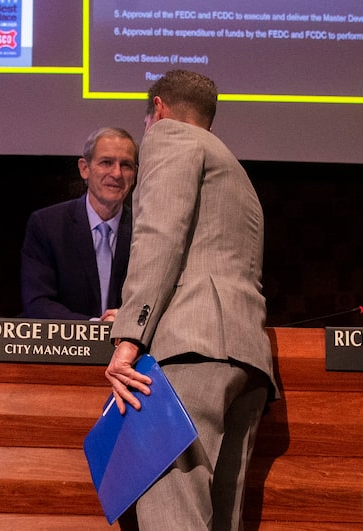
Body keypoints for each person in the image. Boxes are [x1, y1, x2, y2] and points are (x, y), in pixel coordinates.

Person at [105, 70, 280, 530]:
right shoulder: (236, 171)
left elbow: (159, 236)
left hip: (190, 351)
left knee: (173, 516)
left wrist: (128, 336)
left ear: (158, 110)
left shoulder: (169, 138)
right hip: (244, 362)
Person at [20, 127, 138, 321]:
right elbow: (38, 304)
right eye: (106, 162)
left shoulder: (143, 231)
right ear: (85, 168)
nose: (116, 173)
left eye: (126, 165)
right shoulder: (47, 225)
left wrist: (127, 320)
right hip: (64, 348)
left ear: (134, 174)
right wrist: (93, 328)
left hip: (129, 348)